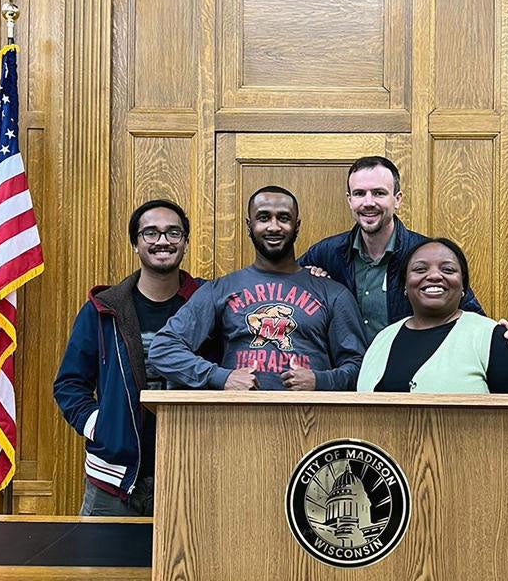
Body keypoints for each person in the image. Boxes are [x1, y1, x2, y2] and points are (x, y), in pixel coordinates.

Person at [54, 199, 207, 516]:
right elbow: (69, 384)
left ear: (186, 243)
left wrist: (314, 273)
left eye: (173, 233)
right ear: (135, 243)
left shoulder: (209, 302)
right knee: (99, 567)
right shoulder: (103, 309)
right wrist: (100, 425)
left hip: (193, 475)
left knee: (187, 567)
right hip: (114, 480)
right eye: (150, 233)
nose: (162, 241)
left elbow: (265, 281)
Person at [298, 156, 508, 351]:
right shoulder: (327, 252)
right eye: (359, 193)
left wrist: (505, 340)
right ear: (349, 201)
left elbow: (468, 314)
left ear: (397, 199)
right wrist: (306, 277)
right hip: (347, 384)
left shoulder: (427, 256)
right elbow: (283, 284)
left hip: (408, 382)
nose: (368, 202)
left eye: (379, 193)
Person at [149, 186, 366, 391]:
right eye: (263, 218)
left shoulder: (333, 293)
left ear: (297, 226)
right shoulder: (221, 289)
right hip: (239, 423)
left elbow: (361, 368)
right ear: (249, 224)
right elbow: (163, 349)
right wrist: (221, 378)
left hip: (310, 422)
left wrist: (321, 380)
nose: (273, 226)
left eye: (283, 218)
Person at [357, 238, 508, 394]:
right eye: (420, 269)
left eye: (447, 270)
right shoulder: (382, 339)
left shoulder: (496, 338)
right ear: (405, 285)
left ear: (463, 286)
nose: (434, 276)